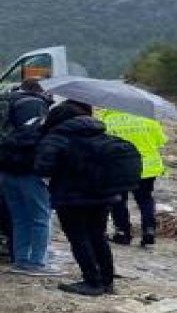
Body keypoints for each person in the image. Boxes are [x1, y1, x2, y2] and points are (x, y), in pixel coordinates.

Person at [33, 101, 122, 296]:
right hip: (103, 195)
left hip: (71, 196)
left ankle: (92, 281)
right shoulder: (101, 134)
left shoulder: (57, 138)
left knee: (78, 237)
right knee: (98, 236)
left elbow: (42, 168)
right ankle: (107, 282)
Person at [2, 79, 56, 276]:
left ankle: (21, 259)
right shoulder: (34, 104)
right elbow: (34, 137)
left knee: (19, 217)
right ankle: (37, 262)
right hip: (29, 170)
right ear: (39, 91)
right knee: (41, 217)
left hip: (5, 169)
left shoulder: (7, 101)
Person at [101, 109, 167, 248]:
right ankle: (149, 230)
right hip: (147, 166)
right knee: (145, 199)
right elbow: (160, 141)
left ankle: (123, 233)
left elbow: (102, 144)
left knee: (119, 200)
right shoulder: (148, 118)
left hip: (119, 166)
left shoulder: (108, 119)